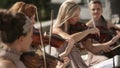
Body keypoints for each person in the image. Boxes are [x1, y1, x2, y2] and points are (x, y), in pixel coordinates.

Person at [52, 0, 100, 68]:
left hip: (76, 62)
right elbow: (70, 38)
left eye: (78, 15)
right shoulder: (56, 29)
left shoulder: (72, 28)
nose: (78, 18)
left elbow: (90, 47)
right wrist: (88, 31)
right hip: (65, 64)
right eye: (75, 16)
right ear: (67, 15)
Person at [85, 0, 120, 67]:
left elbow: (117, 31)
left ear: (102, 10)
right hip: (96, 53)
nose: (96, 11)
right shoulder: (87, 26)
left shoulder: (108, 23)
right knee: (106, 60)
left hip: (112, 50)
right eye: (93, 9)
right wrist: (102, 46)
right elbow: (88, 46)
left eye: (98, 9)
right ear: (90, 11)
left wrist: (116, 30)